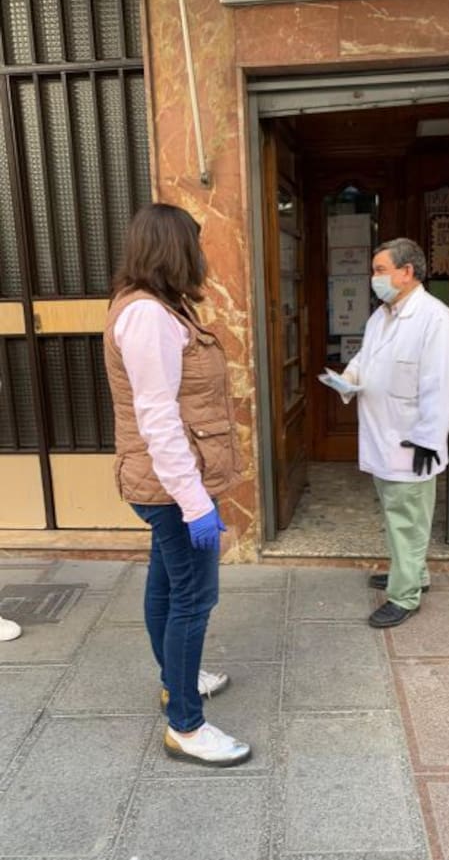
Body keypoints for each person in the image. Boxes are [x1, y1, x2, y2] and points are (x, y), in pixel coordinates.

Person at [103, 203, 251, 766]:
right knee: (194, 597)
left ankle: (175, 680)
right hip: (170, 486)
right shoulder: (148, 317)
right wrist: (195, 504)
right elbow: (158, 418)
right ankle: (185, 725)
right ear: (174, 247)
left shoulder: (162, 308)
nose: (202, 252)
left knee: (166, 584)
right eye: (195, 241)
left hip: (168, 482)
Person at [333, 238, 449, 628]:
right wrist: (350, 376)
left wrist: (429, 437)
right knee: (396, 516)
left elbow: (441, 384)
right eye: (374, 271)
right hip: (381, 436)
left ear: (407, 273)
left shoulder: (435, 319)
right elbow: (364, 356)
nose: (375, 278)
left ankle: (404, 596)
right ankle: (413, 574)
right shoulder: (382, 316)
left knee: (407, 519)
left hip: (410, 441)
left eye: (380, 270)